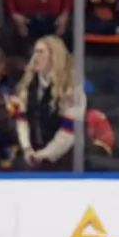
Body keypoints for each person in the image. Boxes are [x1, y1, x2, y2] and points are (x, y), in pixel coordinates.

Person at [15, 35, 82, 171]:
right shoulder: (28, 84)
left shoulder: (71, 87)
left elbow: (68, 132)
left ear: (55, 56)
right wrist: (27, 148)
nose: (35, 56)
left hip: (62, 160)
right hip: (32, 154)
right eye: (35, 51)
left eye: (41, 52)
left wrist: (45, 154)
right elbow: (22, 119)